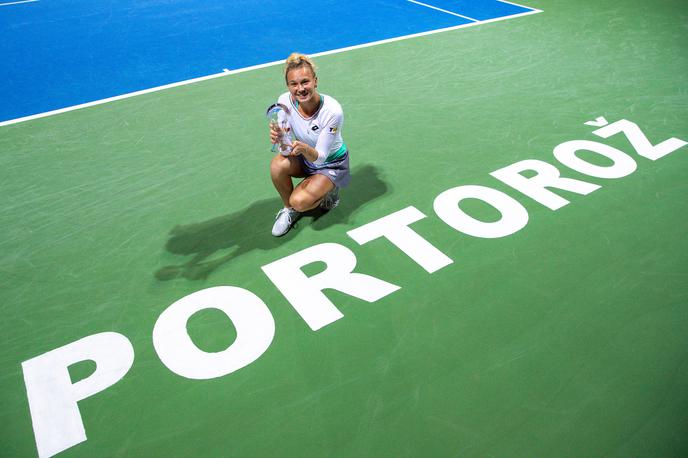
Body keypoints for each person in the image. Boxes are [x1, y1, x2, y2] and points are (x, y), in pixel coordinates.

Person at [268, 53, 350, 237]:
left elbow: (320, 156)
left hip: (331, 163)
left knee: (300, 201)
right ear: (288, 86)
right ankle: (288, 209)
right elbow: (286, 150)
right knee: (277, 165)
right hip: (305, 158)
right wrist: (280, 139)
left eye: (305, 82)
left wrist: (303, 148)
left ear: (315, 81)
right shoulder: (284, 103)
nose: (300, 89)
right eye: (294, 84)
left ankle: (330, 188)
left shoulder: (332, 111)